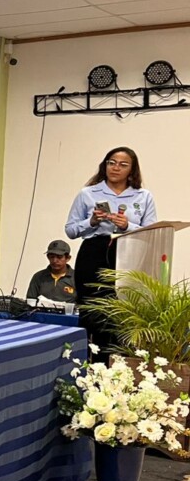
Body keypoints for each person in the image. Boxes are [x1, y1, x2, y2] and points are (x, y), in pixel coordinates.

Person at [65, 147, 157, 349]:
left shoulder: (143, 196)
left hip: (128, 253)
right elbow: (70, 230)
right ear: (104, 165)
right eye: (111, 163)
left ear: (132, 170)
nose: (116, 168)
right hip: (94, 252)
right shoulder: (88, 193)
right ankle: (91, 358)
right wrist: (91, 222)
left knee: (123, 309)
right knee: (92, 309)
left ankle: (120, 359)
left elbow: (151, 232)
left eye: (123, 165)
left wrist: (127, 226)